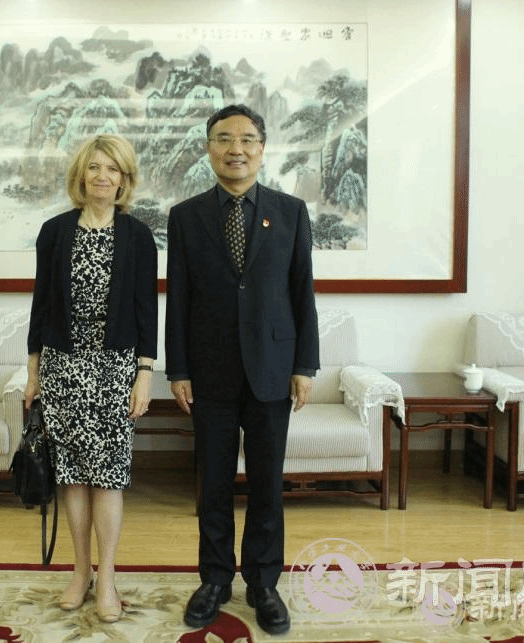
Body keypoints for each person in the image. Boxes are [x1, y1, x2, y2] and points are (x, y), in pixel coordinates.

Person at [165, 104, 319, 636]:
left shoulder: (291, 211)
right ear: (209, 148)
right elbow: (178, 298)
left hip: (273, 368)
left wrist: (305, 365)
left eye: (247, 139)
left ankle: (263, 582)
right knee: (212, 484)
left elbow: (302, 292)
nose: (236, 149)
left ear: (262, 148)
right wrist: (178, 368)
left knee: (267, 484)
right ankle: (214, 579)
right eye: (224, 139)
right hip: (208, 371)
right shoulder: (185, 216)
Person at [25, 134, 158, 623]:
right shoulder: (54, 232)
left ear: (124, 179)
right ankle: (80, 572)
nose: (103, 176)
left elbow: (147, 310)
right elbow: (41, 305)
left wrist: (144, 375)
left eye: (113, 169)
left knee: (108, 475)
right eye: (95, 167)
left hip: (115, 369)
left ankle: (107, 578)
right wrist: (34, 373)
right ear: (81, 175)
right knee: (72, 475)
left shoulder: (138, 236)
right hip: (62, 367)